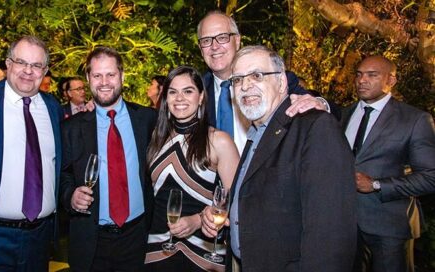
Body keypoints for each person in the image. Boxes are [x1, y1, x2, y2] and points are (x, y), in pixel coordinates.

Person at [201, 45, 357, 272]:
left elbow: (332, 234)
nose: (245, 86)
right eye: (237, 80)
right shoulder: (257, 133)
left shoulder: (314, 127)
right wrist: (227, 218)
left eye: (257, 75)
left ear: (282, 82)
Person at [61, 46, 157, 272]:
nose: (104, 82)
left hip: (138, 238)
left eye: (111, 74)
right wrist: (70, 196)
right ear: (88, 78)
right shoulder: (71, 128)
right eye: (97, 75)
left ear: (122, 76)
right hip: (91, 242)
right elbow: (62, 174)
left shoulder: (146, 119)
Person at [0, 36, 63, 271]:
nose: (28, 71)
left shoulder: (53, 108)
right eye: (21, 62)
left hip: (40, 237)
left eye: (36, 66)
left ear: (45, 71)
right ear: (8, 63)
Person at [342, 56, 435, 272]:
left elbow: (431, 177)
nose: (362, 80)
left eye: (372, 75)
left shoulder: (415, 119)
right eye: (358, 74)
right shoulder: (344, 114)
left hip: (391, 226)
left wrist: (377, 185)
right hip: (346, 225)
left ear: (391, 80)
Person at [144, 66, 239, 272]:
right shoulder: (155, 138)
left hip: (203, 251)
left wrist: (197, 221)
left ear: (201, 96)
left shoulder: (218, 141)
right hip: (155, 248)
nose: (180, 98)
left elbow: (237, 200)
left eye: (188, 91)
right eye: (173, 91)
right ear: (165, 98)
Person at [196, 10, 329, 152]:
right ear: (200, 48)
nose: (214, 46)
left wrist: (320, 104)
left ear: (237, 40)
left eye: (222, 37)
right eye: (206, 41)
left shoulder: (273, 79)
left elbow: (323, 110)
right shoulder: (195, 92)